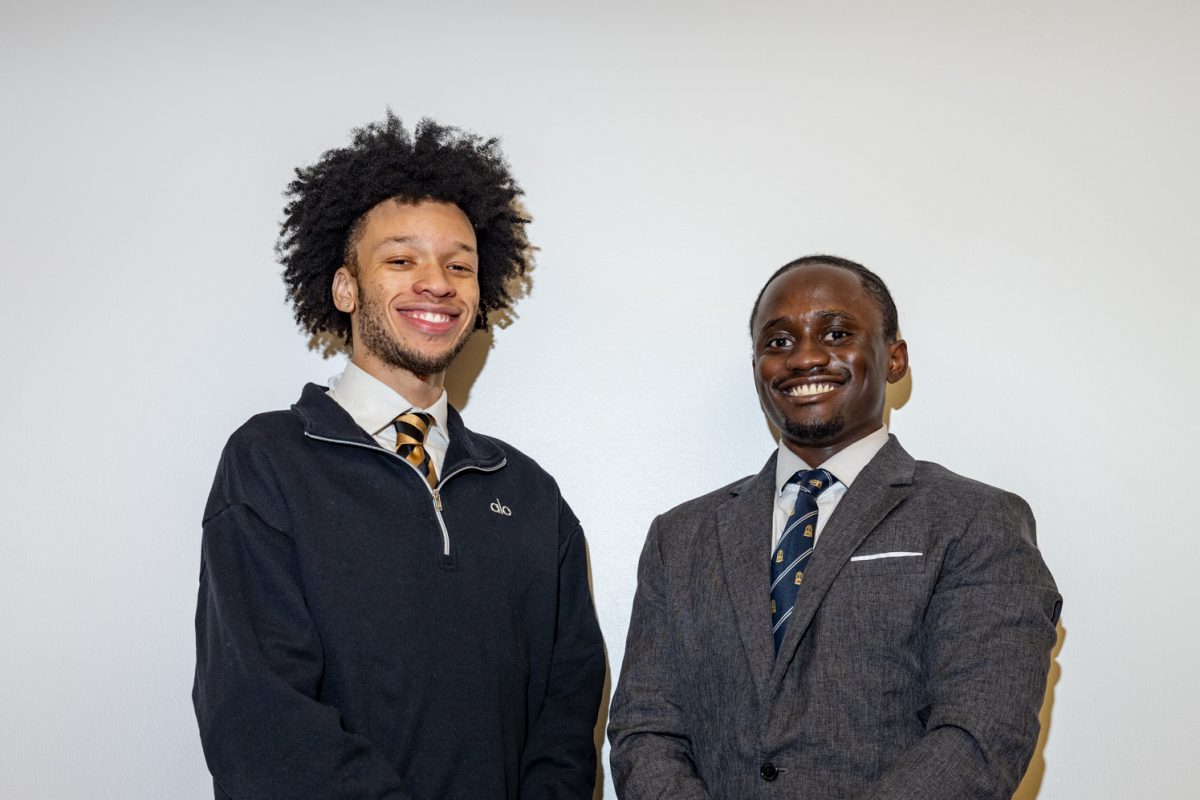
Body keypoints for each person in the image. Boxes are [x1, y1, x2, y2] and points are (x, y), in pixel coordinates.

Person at [193, 114, 606, 800]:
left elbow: (565, 719)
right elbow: (260, 718)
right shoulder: (269, 462)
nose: (437, 282)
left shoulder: (530, 494)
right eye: (401, 260)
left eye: (459, 264)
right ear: (346, 287)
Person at [608, 255, 1061, 799]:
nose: (804, 357)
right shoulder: (679, 538)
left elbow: (980, 737)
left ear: (895, 359)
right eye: (778, 342)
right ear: (757, 369)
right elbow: (645, 730)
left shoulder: (975, 521)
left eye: (836, 333)